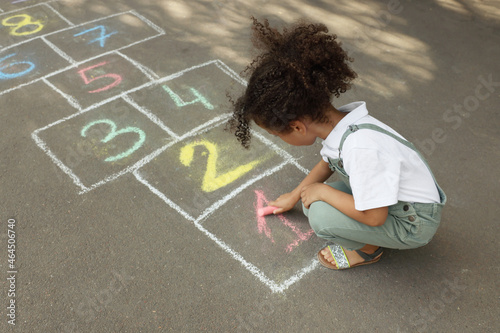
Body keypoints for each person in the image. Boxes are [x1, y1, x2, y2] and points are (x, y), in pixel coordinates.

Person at [227, 17, 446, 270]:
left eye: (278, 135)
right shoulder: (343, 125)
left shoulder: (359, 148)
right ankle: (351, 225)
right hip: (402, 201)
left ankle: (368, 250)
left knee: (320, 214)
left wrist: (323, 192)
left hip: (413, 222)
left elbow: (376, 217)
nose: (280, 140)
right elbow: (327, 163)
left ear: (298, 126)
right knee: (313, 201)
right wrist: (293, 196)